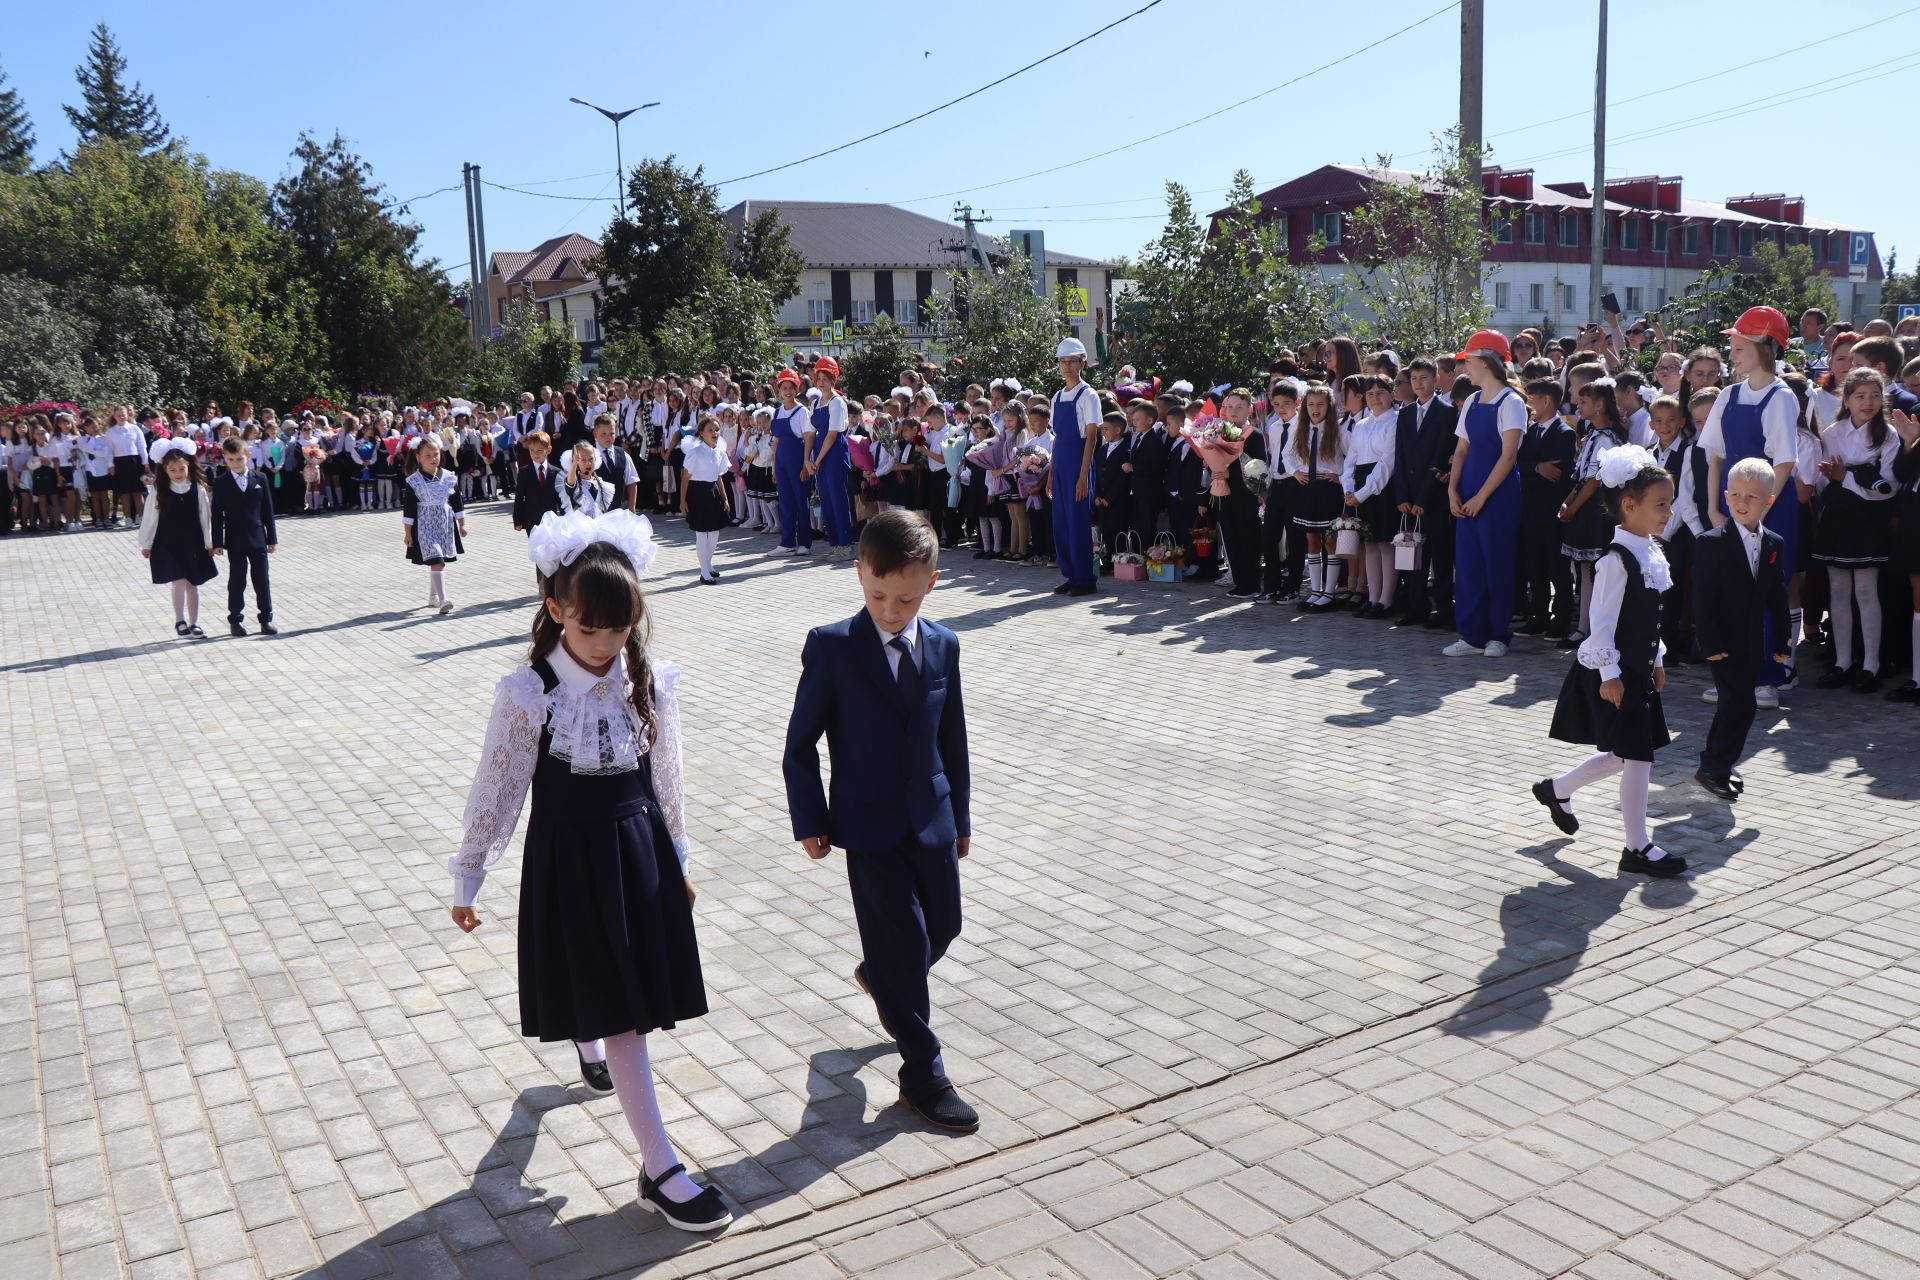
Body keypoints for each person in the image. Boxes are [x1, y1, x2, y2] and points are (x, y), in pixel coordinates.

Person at [447, 513, 731, 1234]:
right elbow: (498, 785)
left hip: (636, 849)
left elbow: (668, 774)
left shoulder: (649, 676)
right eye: (589, 629)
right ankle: (660, 1167)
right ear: (556, 609)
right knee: (622, 1014)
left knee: (623, 1003)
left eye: (619, 628)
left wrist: (681, 857)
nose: (605, 645)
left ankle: (593, 1041)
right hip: (570, 855)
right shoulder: (529, 691)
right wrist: (470, 875)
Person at [782, 510, 976, 1133]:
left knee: (941, 928)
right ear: (859, 572)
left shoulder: (943, 644)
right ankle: (924, 1071)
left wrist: (962, 816)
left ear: (933, 584)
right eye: (878, 595)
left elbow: (954, 739)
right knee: (900, 942)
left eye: (906, 598)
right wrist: (809, 815)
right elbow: (799, 742)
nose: (891, 610)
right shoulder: (834, 646)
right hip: (866, 827)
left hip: (933, 817)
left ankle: (880, 977)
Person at [1535, 445, 1686, 878]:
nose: (1667, 512)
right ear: (1629, 505)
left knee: (1625, 755)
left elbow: (1649, 619)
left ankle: (1556, 789)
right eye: (1661, 505)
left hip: (1638, 671)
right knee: (1638, 758)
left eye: (1670, 504)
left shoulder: (1649, 552)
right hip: (1615, 673)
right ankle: (1637, 847)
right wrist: (1609, 674)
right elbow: (1599, 623)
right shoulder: (1615, 561)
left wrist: (1658, 659)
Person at [1699, 306, 1798, 691]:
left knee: (1767, 591)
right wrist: (1713, 507)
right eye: (1733, 346)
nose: (1733, 353)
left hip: (1769, 508)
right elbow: (1714, 457)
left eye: (1740, 345)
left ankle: (1770, 677)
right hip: (1733, 504)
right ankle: (1731, 674)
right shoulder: (1727, 394)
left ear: (1764, 347)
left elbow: (1785, 463)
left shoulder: (1781, 396)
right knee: (1729, 593)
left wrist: (1758, 510)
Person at [1692, 458, 1792, 801]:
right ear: (1725, 496)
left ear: (1769, 502)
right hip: (1722, 641)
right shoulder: (1711, 542)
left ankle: (1719, 763)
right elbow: (1702, 597)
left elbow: (1776, 594)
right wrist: (1708, 641)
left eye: (1751, 496)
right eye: (1735, 494)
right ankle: (1713, 766)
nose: (1741, 502)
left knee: (1737, 705)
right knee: (1738, 703)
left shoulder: (1773, 543)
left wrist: (1782, 639)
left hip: (1753, 641)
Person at [1812, 368, 1901, 692]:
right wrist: (1845, 481)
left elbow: (1888, 487)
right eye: (1860, 396)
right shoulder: (1833, 433)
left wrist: (1846, 478)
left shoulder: (1888, 435)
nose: (1868, 402)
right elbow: (1823, 480)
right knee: (1838, 589)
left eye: (1875, 396)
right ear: (1846, 399)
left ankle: (1871, 664)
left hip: (1869, 521)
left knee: (1866, 590)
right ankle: (1843, 661)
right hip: (1839, 517)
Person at [1444, 330, 1525, 657]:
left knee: (1497, 563)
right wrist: (1453, 489)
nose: (1465, 368)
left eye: (1469, 361)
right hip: (1468, 492)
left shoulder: (1513, 402)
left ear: (1486, 362)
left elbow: (1508, 457)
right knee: (1468, 565)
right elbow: (1461, 450)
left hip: (1499, 497)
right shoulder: (1472, 402)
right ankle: (1471, 634)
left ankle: (1497, 634)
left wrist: (1482, 497)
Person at [1390, 358, 1459, 627]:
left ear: (1436, 380)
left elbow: (1441, 456)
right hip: (1409, 497)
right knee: (1413, 553)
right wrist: (1402, 497)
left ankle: (1443, 609)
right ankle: (1415, 606)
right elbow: (1401, 458)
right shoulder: (1405, 414)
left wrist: (1423, 498)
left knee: (1440, 556)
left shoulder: (1446, 412)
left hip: (1435, 497)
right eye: (1414, 379)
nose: (1419, 384)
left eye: (1424, 378)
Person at [138, 439, 218, 638]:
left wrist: (210, 543)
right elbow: (150, 518)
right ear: (165, 470)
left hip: (193, 542)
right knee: (179, 581)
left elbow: (205, 517)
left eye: (181, 469)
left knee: (194, 583)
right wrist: (146, 543)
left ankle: (195, 622)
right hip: (169, 542)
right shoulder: (159, 491)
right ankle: (179, 620)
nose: (178, 474)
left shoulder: (197, 489)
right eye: (172, 470)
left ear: (188, 466)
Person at [1517, 379, 1577, 637]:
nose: (1528, 404)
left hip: (1553, 512)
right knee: (1534, 565)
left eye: (1531, 398)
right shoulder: (1529, 432)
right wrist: (1536, 467)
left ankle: (1561, 618)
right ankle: (1537, 615)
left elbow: (1558, 473)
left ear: (1546, 400)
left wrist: (1538, 469)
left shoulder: (1564, 433)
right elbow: (1518, 466)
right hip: (1530, 510)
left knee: (1557, 567)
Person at [1283, 383, 1345, 611]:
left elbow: (1351, 456)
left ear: (1329, 406)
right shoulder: (1300, 428)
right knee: (1312, 540)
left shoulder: (1339, 429)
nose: (1315, 408)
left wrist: (1341, 476)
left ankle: (1329, 593)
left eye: (1320, 404)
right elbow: (1286, 455)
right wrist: (1294, 472)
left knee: (1330, 541)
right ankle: (1316, 591)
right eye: (1310, 404)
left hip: (1328, 487)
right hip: (1307, 487)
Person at [1048, 337, 1102, 597]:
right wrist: (1050, 475)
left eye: (1072, 361)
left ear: (1082, 363)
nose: (1067, 366)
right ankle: (1071, 574)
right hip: (1060, 465)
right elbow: (1057, 437)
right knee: (1061, 523)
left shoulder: (1088, 394)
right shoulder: (1056, 396)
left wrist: (1083, 478)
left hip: (1079, 463)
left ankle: (1085, 578)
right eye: (1063, 361)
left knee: (1078, 522)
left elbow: (1091, 437)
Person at [1341, 376, 1399, 617]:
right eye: (1370, 393)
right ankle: (1373, 597)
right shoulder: (1362, 424)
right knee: (1370, 543)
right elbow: (1350, 460)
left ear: (1391, 393)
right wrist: (1348, 488)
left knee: (1386, 544)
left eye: (1380, 392)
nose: (1375, 397)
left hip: (1382, 487)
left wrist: (1362, 493)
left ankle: (1386, 600)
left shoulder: (1395, 421)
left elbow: (1387, 463)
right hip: (1360, 487)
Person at [210, 436, 278, 637]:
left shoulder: (260, 478)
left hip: (257, 538)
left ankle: (266, 619)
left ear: (247, 456)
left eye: (239, 459)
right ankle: (235, 620)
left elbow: (267, 510)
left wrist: (271, 538)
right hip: (235, 539)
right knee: (237, 581)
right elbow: (217, 515)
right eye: (230, 460)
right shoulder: (221, 482)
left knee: (262, 580)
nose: (235, 464)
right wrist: (217, 542)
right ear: (224, 459)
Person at [402, 436, 467, 614]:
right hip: (424, 527)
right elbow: (408, 510)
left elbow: (457, 502)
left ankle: (433, 596)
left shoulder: (448, 477)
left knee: (437, 561)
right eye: (428, 455)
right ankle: (444, 599)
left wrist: (462, 524)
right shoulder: (413, 481)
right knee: (437, 560)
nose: (433, 459)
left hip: (445, 525)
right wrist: (408, 534)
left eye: (436, 454)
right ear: (418, 457)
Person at [807, 358, 856, 560]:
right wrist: (807, 460)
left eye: (825, 378)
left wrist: (816, 461)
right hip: (820, 453)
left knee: (838, 499)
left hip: (834, 453)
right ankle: (834, 543)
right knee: (826, 500)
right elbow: (810, 434)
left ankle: (844, 545)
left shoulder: (837, 402)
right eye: (818, 377)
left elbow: (832, 434)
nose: (821, 381)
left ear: (833, 379)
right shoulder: (815, 403)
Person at [680, 415, 733, 585]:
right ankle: (704, 572)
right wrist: (682, 500)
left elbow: (718, 477)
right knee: (702, 534)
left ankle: (708, 564)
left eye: (716, 429)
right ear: (701, 433)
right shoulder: (695, 452)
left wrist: (724, 498)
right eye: (710, 430)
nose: (714, 432)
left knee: (715, 532)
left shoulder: (719, 452)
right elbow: (685, 477)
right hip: (697, 493)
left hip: (713, 492)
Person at [770, 371, 815, 555]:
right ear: (779, 390)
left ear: (797, 389)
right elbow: (776, 442)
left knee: (800, 501)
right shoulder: (778, 411)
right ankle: (787, 543)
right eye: (784, 388)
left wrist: (806, 464)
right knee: (785, 502)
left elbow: (808, 437)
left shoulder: (802, 411)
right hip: (781, 462)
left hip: (797, 460)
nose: (788, 392)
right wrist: (774, 467)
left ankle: (804, 543)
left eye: (791, 388)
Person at [512, 432, 563, 534]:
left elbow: (560, 497)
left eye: (539, 450)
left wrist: (565, 516)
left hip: (552, 520)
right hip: (532, 520)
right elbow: (519, 497)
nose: (535, 454)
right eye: (532, 450)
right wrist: (517, 520)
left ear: (548, 450)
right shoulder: (524, 472)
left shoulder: (557, 472)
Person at [558, 441, 619, 517]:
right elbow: (570, 483)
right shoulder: (574, 483)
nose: (588, 463)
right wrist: (574, 464)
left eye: (591, 459)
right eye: (583, 460)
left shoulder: (600, 484)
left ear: (595, 459)